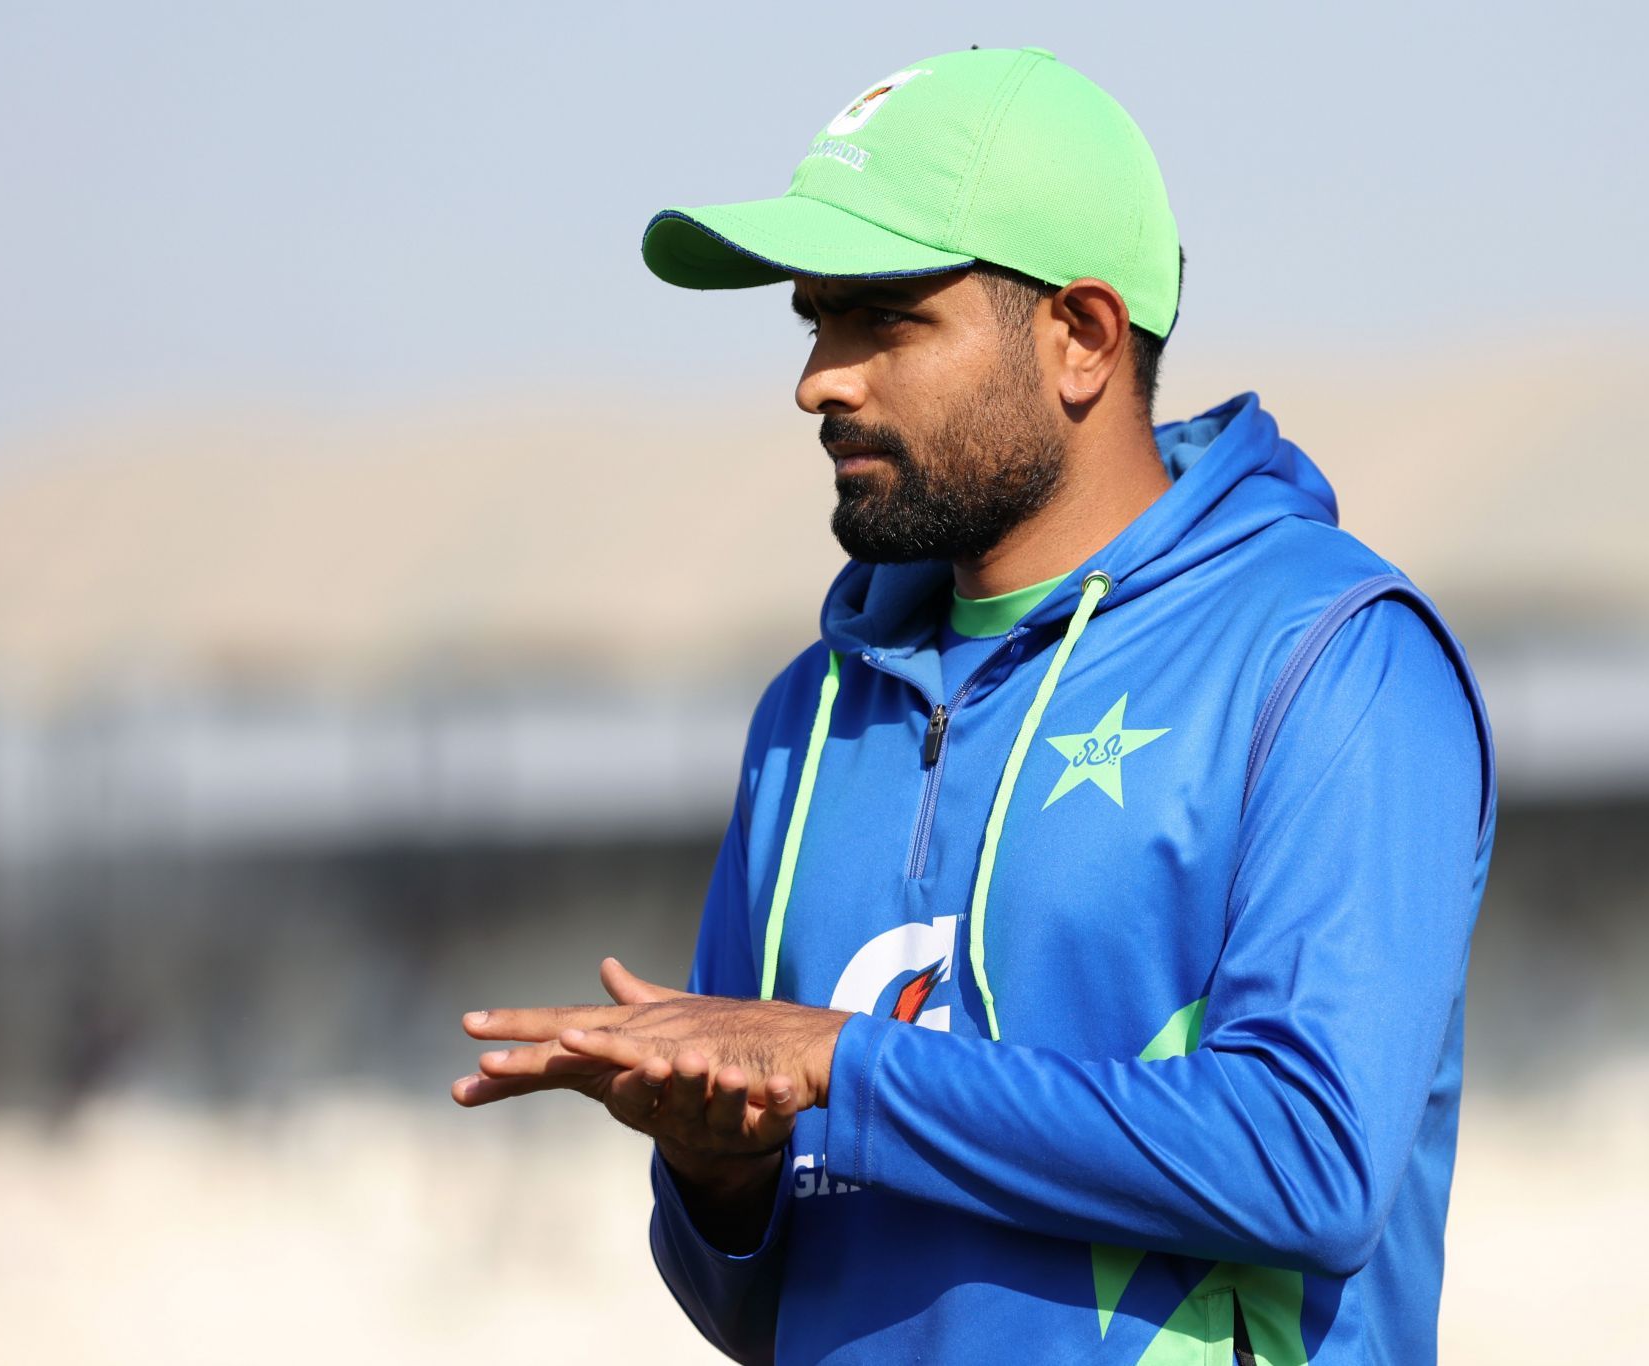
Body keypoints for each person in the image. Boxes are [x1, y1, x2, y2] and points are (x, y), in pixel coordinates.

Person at [453, 45, 1497, 1364]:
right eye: (812, 320)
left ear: (1080, 338)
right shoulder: (808, 715)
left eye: (884, 318)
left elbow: (1312, 1161)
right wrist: (719, 1182)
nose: (820, 378)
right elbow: (766, 1304)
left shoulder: (1330, 655)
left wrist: (844, 1064)